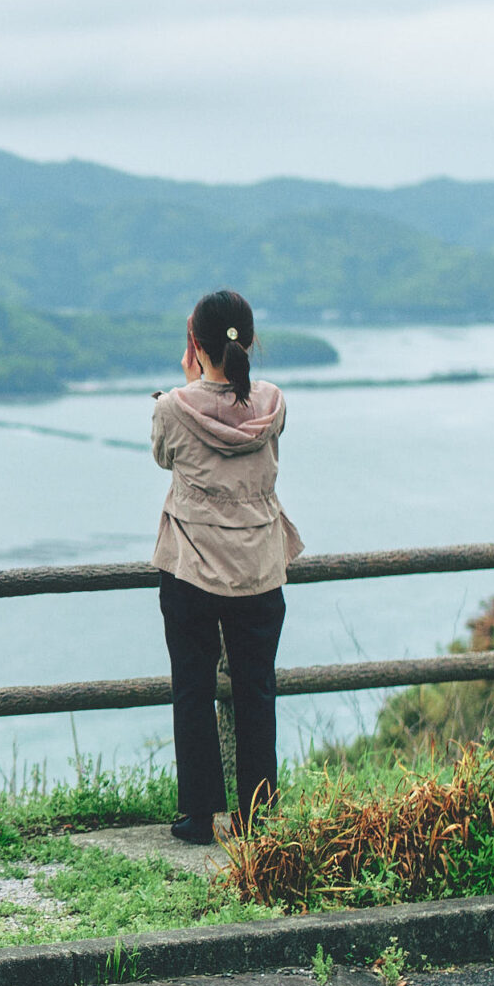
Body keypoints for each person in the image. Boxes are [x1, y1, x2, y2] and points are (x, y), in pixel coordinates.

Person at [150, 289, 303, 845]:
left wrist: (189, 377)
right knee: (256, 689)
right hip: (260, 567)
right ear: (250, 339)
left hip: (192, 566)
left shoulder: (172, 407)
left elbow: (164, 456)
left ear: (195, 343)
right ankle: (258, 815)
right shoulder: (274, 404)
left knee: (193, 686)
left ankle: (198, 816)